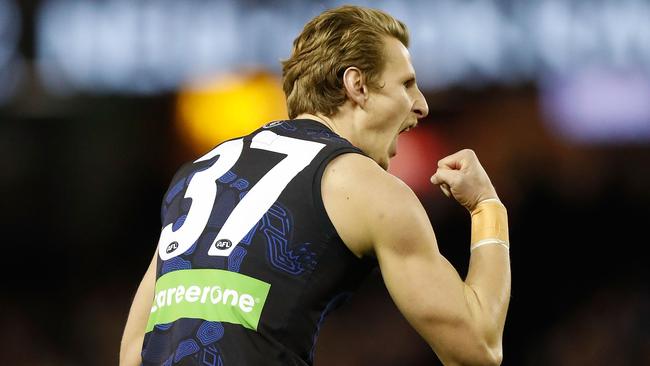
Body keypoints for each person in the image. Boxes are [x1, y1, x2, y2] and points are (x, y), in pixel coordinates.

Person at [120, 5, 511, 366]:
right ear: (357, 85)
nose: (421, 104)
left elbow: (135, 347)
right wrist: (487, 207)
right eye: (407, 84)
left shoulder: (199, 173)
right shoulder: (365, 186)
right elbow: (478, 348)